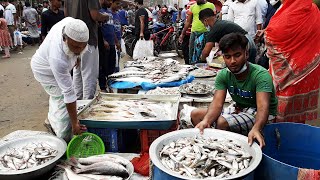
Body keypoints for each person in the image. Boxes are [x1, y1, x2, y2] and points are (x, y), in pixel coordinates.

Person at [192, 33, 278, 148]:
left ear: (246, 54)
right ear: (223, 57)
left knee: (221, 122)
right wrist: (206, 121)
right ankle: (214, 144)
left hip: (262, 114)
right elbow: (217, 104)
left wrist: (256, 128)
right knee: (196, 115)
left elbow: (263, 107)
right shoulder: (223, 75)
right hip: (240, 109)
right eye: (228, 57)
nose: (232, 61)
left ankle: (225, 150)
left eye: (237, 55)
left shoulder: (260, 75)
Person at [30, 17, 89, 141]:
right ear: (64, 39)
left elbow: (78, 46)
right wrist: (74, 124)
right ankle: (62, 137)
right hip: (44, 71)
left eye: (82, 47)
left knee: (58, 98)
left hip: (54, 63)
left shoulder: (72, 24)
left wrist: (77, 56)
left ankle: (50, 120)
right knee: (62, 100)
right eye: (75, 47)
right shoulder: (58, 58)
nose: (78, 50)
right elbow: (69, 93)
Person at [262, 0, 319, 123]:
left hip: (288, 74)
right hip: (310, 70)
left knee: (284, 107)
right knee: (302, 111)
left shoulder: (287, 14)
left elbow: (272, 35)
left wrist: (266, 34)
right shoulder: (313, 9)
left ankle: (284, 133)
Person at [65, 0, 109, 100]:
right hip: (88, 39)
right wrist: (105, 16)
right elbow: (95, 15)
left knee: (78, 74)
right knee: (89, 75)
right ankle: (87, 105)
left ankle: (78, 103)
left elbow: (66, 16)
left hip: (73, 40)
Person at [179, 0, 215, 64]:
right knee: (192, 53)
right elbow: (188, 22)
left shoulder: (211, 5)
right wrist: (182, 34)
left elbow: (214, 19)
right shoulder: (192, 7)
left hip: (207, 33)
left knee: (206, 54)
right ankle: (192, 68)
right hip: (194, 33)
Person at [99, 0, 117, 92]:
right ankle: (102, 87)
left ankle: (110, 85)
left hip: (112, 43)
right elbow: (98, 28)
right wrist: (103, 41)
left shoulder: (110, 13)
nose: (111, 2)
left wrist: (116, 41)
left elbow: (112, 28)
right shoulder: (99, 11)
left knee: (111, 66)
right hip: (104, 44)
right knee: (103, 66)